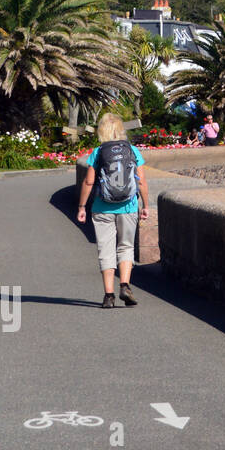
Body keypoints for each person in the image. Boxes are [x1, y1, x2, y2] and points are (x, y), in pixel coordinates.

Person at [76, 113, 149, 309]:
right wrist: (146, 206)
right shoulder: (133, 150)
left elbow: (89, 181)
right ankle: (124, 285)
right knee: (125, 246)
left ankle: (108, 296)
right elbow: (141, 182)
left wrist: (82, 207)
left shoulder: (98, 152)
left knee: (105, 250)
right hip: (128, 206)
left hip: (102, 207)